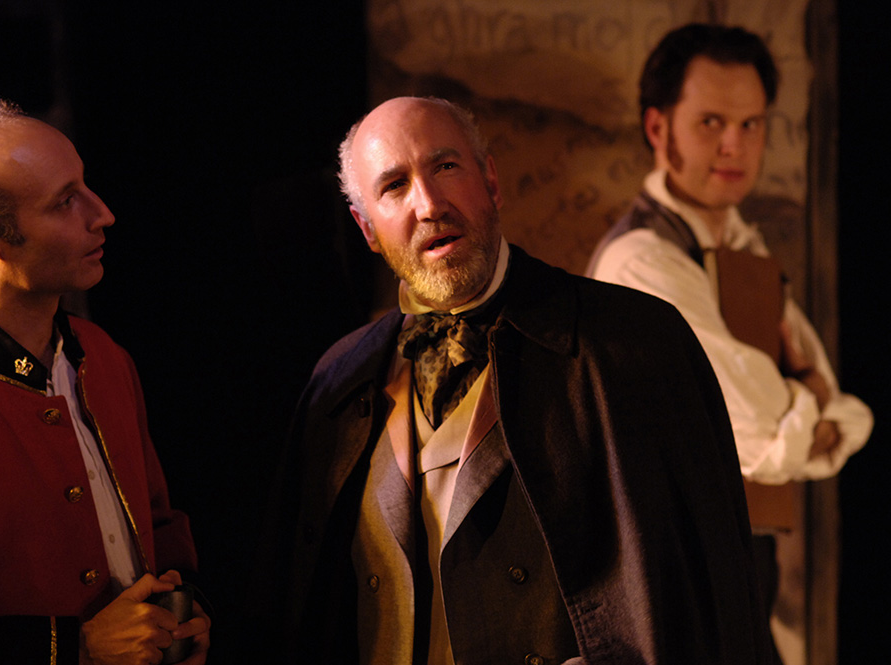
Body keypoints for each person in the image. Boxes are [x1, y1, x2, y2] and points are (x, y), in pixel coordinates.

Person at [259, 96, 774, 664]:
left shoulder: (635, 344)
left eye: (446, 167)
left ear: (492, 181)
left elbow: (706, 599)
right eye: (395, 186)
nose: (429, 203)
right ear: (367, 230)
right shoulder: (338, 382)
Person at [586, 23, 873, 661]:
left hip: (739, 564)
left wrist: (811, 402)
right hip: (674, 583)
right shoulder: (644, 263)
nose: (734, 146)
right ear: (658, 130)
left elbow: (847, 418)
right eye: (712, 122)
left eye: (751, 124)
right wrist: (811, 397)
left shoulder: (741, 244)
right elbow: (770, 436)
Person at [0, 101, 210, 665]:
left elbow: (160, 524)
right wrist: (76, 649)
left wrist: (181, 608)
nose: (103, 214)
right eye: (65, 202)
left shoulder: (104, 356)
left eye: (85, 187)